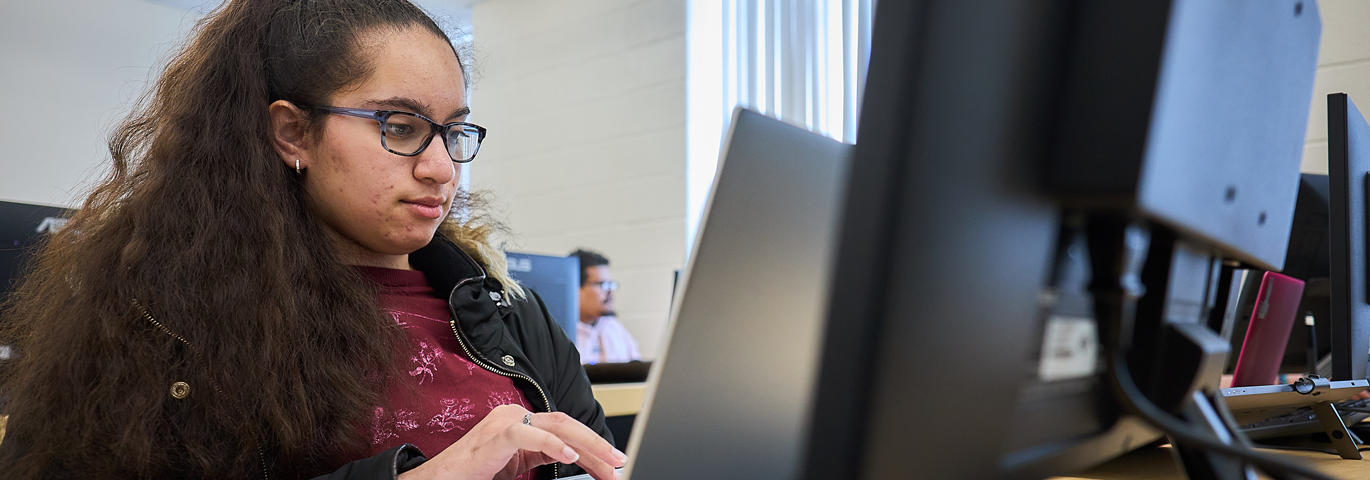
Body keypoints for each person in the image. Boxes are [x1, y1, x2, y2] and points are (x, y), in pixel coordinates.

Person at [0, 1, 625, 479]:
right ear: (293, 133)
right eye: (401, 127)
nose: (441, 167)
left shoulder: (508, 313)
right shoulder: (160, 320)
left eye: (453, 132)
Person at [569, 250, 640, 364]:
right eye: (602, 285)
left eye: (611, 284)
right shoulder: (559, 333)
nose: (611, 292)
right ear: (574, 287)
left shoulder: (614, 328)